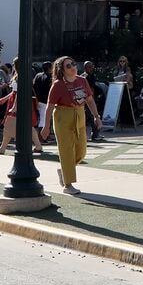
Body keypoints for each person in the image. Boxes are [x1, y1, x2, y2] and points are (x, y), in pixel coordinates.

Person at [43, 56, 100, 195]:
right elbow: (49, 107)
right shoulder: (58, 85)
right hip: (63, 116)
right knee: (66, 150)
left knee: (81, 151)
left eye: (74, 64)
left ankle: (64, 170)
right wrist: (46, 126)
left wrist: (96, 116)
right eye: (68, 66)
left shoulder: (82, 80)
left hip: (79, 115)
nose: (73, 67)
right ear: (62, 70)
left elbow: (90, 100)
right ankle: (68, 185)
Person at [0, 58, 42, 155]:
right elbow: (15, 92)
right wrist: (4, 99)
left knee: (8, 124)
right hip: (20, 102)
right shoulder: (21, 76)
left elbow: (19, 92)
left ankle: (2, 148)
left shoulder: (21, 76)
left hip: (18, 103)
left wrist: (14, 106)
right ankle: (38, 146)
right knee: (28, 125)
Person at [82, 60, 105, 141]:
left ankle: (94, 133)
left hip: (86, 99)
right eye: (90, 67)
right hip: (89, 99)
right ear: (85, 68)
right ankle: (95, 134)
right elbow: (91, 88)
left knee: (90, 117)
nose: (92, 68)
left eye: (92, 66)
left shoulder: (85, 76)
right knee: (93, 116)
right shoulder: (86, 77)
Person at [33, 61, 54, 137]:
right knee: (44, 119)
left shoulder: (38, 75)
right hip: (46, 101)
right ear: (49, 68)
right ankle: (42, 137)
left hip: (39, 100)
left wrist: (36, 99)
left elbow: (33, 87)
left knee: (42, 118)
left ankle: (45, 135)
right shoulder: (50, 77)